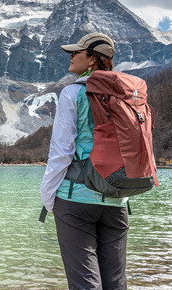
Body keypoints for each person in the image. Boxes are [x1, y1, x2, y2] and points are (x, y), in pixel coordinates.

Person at [40, 32, 130, 290]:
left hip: (75, 199)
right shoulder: (125, 93)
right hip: (117, 199)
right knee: (115, 282)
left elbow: (61, 151)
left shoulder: (72, 92)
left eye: (76, 52)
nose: (70, 56)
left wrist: (48, 196)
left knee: (84, 283)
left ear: (92, 60)